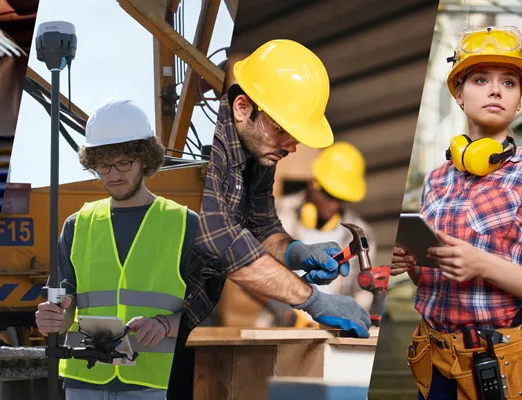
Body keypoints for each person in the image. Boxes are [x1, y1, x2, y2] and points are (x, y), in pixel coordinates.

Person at [168, 39, 371, 399]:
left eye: (296, 135)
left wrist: (296, 252)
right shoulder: (216, 153)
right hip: (161, 318)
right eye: (283, 130)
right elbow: (221, 243)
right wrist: (312, 299)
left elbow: (261, 226)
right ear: (243, 108)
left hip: (187, 320)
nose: (293, 146)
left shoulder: (259, 153)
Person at [391, 26, 522, 400]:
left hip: (501, 366)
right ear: (458, 93)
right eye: (481, 79)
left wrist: (483, 265)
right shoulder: (437, 179)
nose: (496, 90)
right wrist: (412, 263)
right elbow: (431, 280)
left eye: (510, 82)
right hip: (433, 360)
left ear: (519, 100)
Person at [34, 98, 199, 400]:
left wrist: (165, 324)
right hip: (85, 377)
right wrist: (53, 317)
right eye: (103, 165)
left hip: (155, 382)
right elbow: (63, 299)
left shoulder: (184, 223)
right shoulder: (77, 224)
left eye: (124, 162)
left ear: (145, 159)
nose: (113, 175)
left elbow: (210, 309)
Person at [260, 142, 377, 327]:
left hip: (329, 331)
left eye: (341, 199)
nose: (334, 205)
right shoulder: (279, 212)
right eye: (329, 195)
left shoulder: (362, 233)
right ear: (313, 183)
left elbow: (362, 292)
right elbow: (248, 264)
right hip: (277, 326)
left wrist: (346, 318)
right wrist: (280, 307)